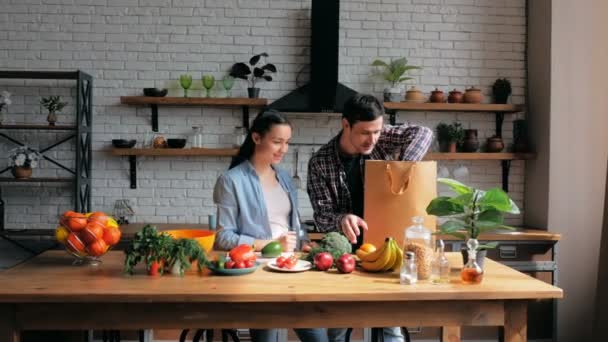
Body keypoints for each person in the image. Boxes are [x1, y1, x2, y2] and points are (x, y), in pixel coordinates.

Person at [307, 94, 433, 342]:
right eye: (365, 132)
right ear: (345, 124)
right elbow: (322, 217)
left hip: (388, 249)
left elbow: (425, 133)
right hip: (346, 256)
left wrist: (403, 167)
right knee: (339, 328)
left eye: (377, 131)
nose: (372, 139)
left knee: (390, 327)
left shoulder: (382, 138)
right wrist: (342, 219)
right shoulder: (320, 163)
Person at [214, 109, 327, 342]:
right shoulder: (231, 180)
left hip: (292, 269)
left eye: (287, 142)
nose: (283, 149)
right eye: (277, 142)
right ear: (256, 138)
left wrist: (305, 243)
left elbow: (292, 226)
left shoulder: (284, 177)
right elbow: (223, 237)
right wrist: (270, 244)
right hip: (257, 275)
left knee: (318, 337)